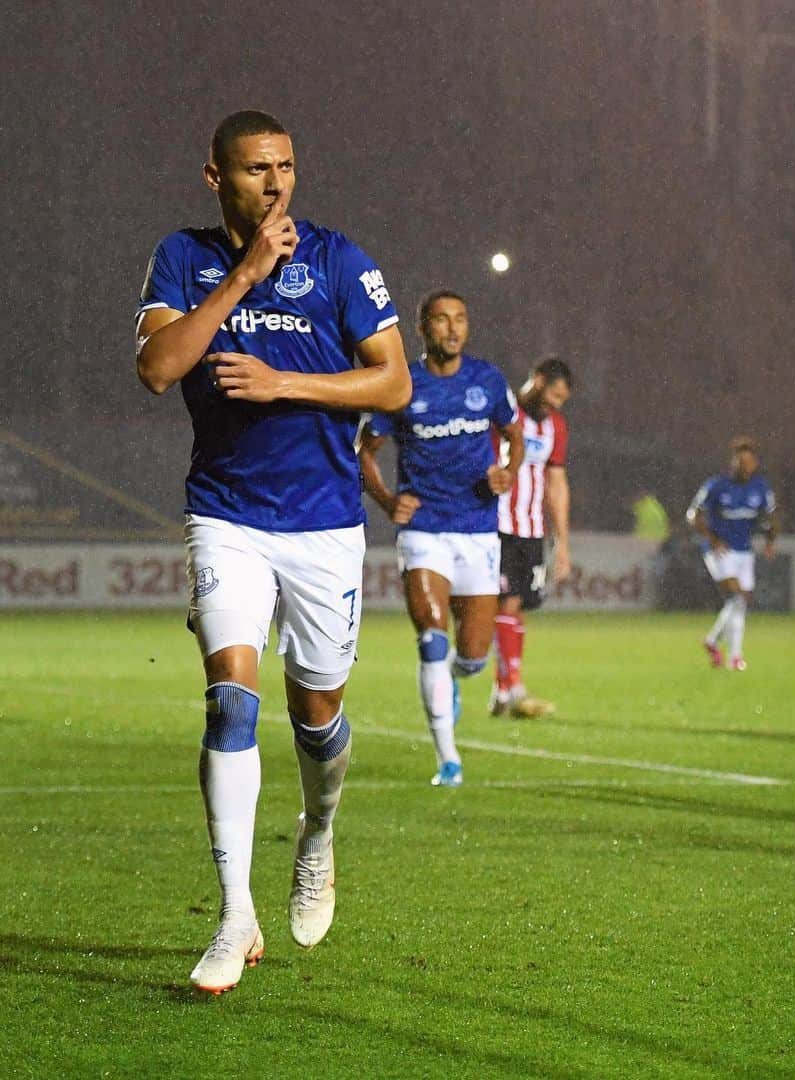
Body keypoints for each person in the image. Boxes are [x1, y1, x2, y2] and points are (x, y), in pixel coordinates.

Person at [135, 110, 411, 993]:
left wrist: (285, 381)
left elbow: (394, 380)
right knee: (229, 705)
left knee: (318, 716)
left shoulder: (341, 260)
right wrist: (245, 275)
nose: (277, 183)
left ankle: (318, 832)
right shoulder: (182, 257)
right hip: (225, 515)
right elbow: (157, 366)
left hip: (324, 523)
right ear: (217, 177)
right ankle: (233, 916)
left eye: (286, 166)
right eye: (257, 169)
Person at [359, 290, 523, 785]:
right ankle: (447, 758)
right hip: (424, 531)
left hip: (477, 531)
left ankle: (454, 677)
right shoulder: (403, 383)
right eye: (441, 320)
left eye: (460, 320)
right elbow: (364, 450)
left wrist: (507, 473)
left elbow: (514, 436)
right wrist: (388, 501)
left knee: (472, 657)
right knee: (432, 637)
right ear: (423, 329)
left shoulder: (488, 379)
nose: (452, 328)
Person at [491, 357, 574, 718]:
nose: (557, 403)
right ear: (538, 380)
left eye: (562, 399)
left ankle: (502, 689)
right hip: (497, 525)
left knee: (519, 609)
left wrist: (563, 542)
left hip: (532, 530)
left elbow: (556, 484)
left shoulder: (555, 425)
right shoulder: (503, 413)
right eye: (554, 394)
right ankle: (513, 688)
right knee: (506, 605)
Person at [686, 437, 778, 671]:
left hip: (744, 552)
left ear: (754, 464)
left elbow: (770, 517)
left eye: (747, 461)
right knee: (737, 598)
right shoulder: (716, 486)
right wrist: (713, 540)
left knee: (739, 603)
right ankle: (735, 657)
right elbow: (693, 515)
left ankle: (713, 641)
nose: (743, 466)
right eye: (740, 461)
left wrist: (770, 541)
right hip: (720, 552)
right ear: (733, 463)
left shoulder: (760, 488)